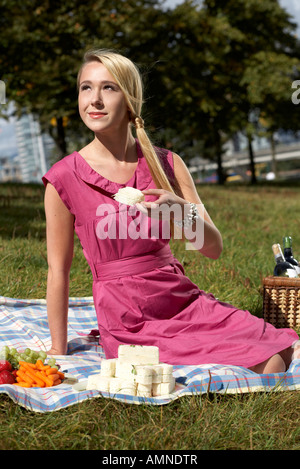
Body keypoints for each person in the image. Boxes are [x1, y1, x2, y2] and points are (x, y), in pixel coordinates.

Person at [43, 48, 299, 374]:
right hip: (128, 318)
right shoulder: (64, 178)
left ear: (131, 98)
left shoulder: (166, 163)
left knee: (280, 353)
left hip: (183, 300)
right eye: (86, 87)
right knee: (270, 365)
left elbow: (213, 248)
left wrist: (181, 213)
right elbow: (57, 271)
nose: (94, 99)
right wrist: (57, 347)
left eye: (109, 87)